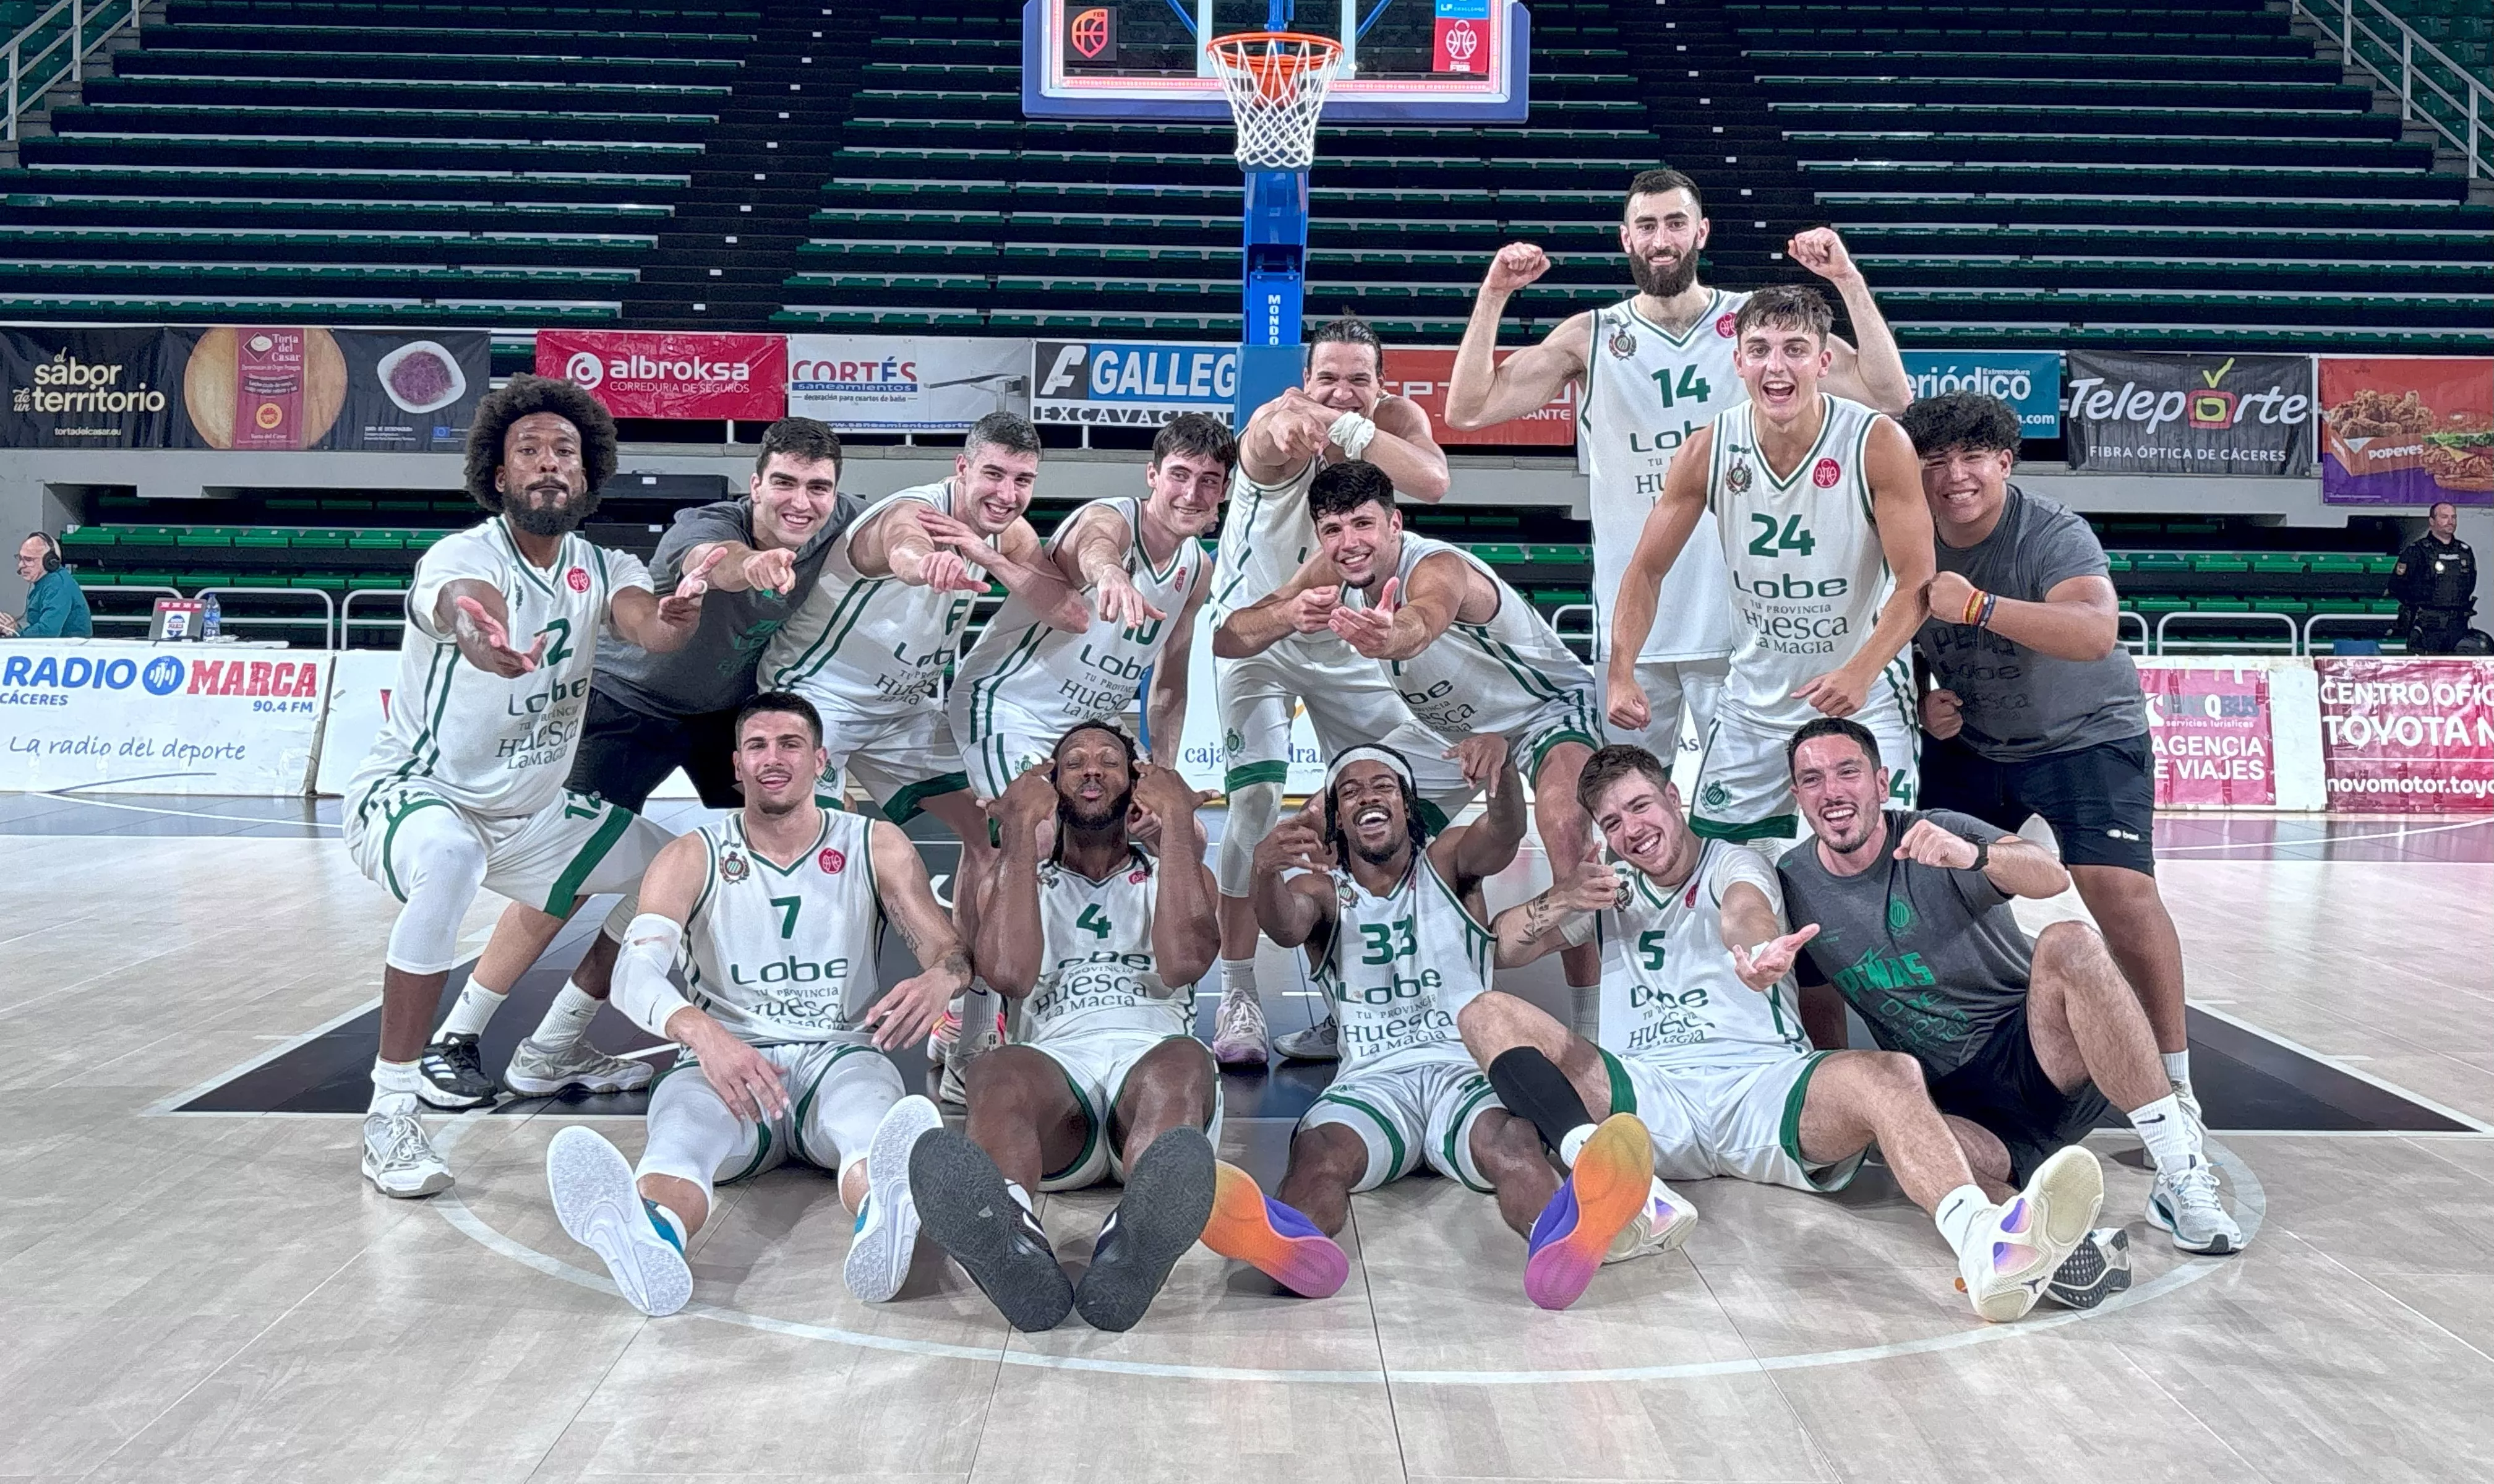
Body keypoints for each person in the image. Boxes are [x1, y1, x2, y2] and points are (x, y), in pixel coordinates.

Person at [1464, 743, 2122, 1321]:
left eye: (1641, 806)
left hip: (1762, 1087)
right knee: (1485, 1011)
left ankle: (1985, 1242)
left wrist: (1755, 951)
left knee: (1888, 1073)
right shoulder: (1607, 891)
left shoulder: (1735, 863)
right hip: (1649, 1100)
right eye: (1613, 821)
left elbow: (1745, 912)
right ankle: (1614, 1180)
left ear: (1672, 796)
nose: (1632, 829)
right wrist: (1564, 898)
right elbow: (1503, 946)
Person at [414, 416, 860, 1111]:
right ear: (755, 484)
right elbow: (710, 559)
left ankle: (556, 1044)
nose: (800, 502)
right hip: (627, 705)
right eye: (784, 484)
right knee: (566, 876)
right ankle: (454, 1037)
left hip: (723, 715)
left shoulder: (834, 521)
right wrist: (753, 565)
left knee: (730, 864)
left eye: (817, 488)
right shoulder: (705, 526)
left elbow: (899, 522)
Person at [341, 374, 705, 1197]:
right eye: (528, 451)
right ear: (499, 475)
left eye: (565, 451)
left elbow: (643, 618)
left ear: (587, 473)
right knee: (449, 859)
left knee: (678, 864)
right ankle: (392, 1111)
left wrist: (675, 618)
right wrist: (478, 629)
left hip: (533, 812)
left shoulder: (601, 564)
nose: (549, 463)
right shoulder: (464, 556)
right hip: (416, 793)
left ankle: (555, 1047)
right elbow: (463, 604)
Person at [1446, 169, 1909, 779]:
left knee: (1750, 815)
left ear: (1701, 231)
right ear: (1626, 239)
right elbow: (1467, 408)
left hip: (1739, 624)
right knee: (1629, 802)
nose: (1661, 239)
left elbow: (1889, 392)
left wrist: (1847, 280)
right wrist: (1494, 294)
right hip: (1635, 625)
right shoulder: (1593, 335)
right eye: (1647, 226)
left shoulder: (1756, 328)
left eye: (1675, 223)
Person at [545, 691, 965, 1316]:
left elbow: (949, 951)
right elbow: (634, 973)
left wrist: (940, 981)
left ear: (820, 759)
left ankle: (886, 1214)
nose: (774, 758)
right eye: (758, 745)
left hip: (838, 1052)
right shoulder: (693, 853)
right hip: (729, 1059)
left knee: (867, 1125)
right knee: (680, 1139)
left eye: (791, 744)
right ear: (736, 764)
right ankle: (650, 1234)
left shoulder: (872, 842)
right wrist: (703, 1035)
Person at [1776, 718, 2246, 1256]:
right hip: (1962, 1104)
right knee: (1898, 1133)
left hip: (2041, 1051)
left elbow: (2050, 876)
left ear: (1881, 784)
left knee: (2070, 941)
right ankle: (2054, 1249)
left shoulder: (1934, 830)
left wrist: (1975, 855)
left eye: (1847, 772)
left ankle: (2179, 1174)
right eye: (1812, 779)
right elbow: (1820, 1009)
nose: (1832, 791)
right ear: (1797, 796)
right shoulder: (1796, 883)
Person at [1214, 744, 1642, 1313]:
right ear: (1337, 819)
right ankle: (1294, 1246)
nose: (1367, 795)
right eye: (1350, 790)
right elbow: (1285, 926)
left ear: (1407, 803)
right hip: (1371, 1080)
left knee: (1513, 1143)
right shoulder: (1324, 890)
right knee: (1319, 1154)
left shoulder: (1447, 861)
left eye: (1383, 785)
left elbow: (1505, 829)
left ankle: (1560, 1241)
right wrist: (1264, 872)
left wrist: (1502, 774)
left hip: (1460, 1067)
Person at [1214, 459, 1611, 1039]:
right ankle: (1357, 1009)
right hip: (1443, 732)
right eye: (1333, 529)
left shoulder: (1437, 565)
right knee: (1324, 832)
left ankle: (1596, 1031)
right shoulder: (1333, 568)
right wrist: (1285, 614)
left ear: (1395, 523)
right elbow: (1229, 637)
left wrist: (1388, 634)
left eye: (1363, 524)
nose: (1349, 542)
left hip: (1542, 712)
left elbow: (1424, 619)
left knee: (1564, 831)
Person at [763, 410, 1092, 1102]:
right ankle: (809, 1044)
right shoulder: (913, 514)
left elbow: (1070, 612)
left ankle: (967, 1033)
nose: (1006, 491)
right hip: (817, 700)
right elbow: (907, 546)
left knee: (1005, 836)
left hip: (905, 711)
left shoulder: (1010, 528)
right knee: (819, 861)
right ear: (962, 467)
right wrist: (935, 562)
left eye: (1023, 479)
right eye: (994, 473)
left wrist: (996, 557)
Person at [1904, 392, 2200, 1125]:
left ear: (2005, 461)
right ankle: (1968, 1060)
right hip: (1977, 741)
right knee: (1928, 887)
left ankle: (2176, 1082)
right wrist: (1921, 698)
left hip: (2086, 733)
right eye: (1935, 461)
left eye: (1973, 458)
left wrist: (1977, 606)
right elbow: (1894, 632)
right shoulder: (1903, 535)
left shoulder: (2051, 532)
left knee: (2117, 890)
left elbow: (2096, 630)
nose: (1954, 476)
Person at [1203, 315, 1471, 1068]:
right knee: (1255, 802)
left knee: (1401, 793)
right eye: (1328, 377)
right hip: (1260, 630)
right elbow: (1281, 430)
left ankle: (1349, 997)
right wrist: (1309, 418)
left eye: (1359, 378)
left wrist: (1345, 424)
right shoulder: (1278, 421)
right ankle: (1239, 991)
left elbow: (1434, 481)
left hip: (1345, 637)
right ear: (1303, 378)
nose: (1343, 390)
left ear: (1381, 385)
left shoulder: (1388, 423)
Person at [907, 723, 1228, 1332]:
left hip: (1153, 1075)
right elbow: (1008, 973)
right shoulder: (1026, 876)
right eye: (1073, 761)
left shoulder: (1178, 873)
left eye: (1110, 760)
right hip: (1059, 1093)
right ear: (1049, 784)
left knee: (1184, 1057)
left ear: (1138, 783)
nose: (1091, 769)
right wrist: (1019, 834)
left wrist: (1180, 819)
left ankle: (1135, 1237)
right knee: (996, 1067)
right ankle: (1012, 1233)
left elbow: (1184, 960)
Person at [1606, 285, 1934, 847]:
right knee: (1723, 871)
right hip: (1754, 704)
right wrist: (1621, 669)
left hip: (1866, 696)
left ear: (1824, 362)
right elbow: (1645, 570)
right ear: (1738, 361)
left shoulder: (1876, 442)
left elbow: (1917, 581)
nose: (1775, 367)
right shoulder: (1709, 449)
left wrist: (1862, 671)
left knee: (1879, 865)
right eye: (1758, 349)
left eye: (1795, 349)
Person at [2389, 501, 2478, 654]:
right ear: (2432, 521)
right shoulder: (2417, 551)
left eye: (2453, 517)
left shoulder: (2465, 551)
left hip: (2458, 624)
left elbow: (2470, 583)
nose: (2450, 521)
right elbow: (2397, 586)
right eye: (2444, 517)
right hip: (2428, 625)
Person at [2, 532, 92, 637]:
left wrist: (17, 634)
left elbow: (48, 632)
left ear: (50, 561)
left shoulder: (58, 585)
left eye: (29, 560)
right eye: (21, 558)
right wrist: (13, 629)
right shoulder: (46, 582)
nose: (21, 565)